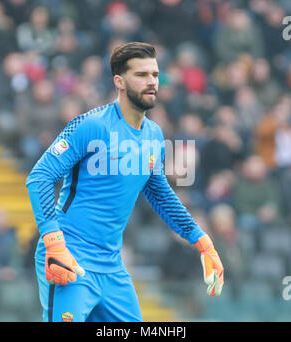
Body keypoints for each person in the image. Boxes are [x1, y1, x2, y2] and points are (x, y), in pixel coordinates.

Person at [26, 42, 224, 322]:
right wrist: (54, 243)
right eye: (141, 75)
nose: (152, 81)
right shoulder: (90, 125)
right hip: (70, 256)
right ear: (119, 81)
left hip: (112, 268)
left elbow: (159, 194)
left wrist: (203, 242)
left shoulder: (155, 136)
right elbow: (40, 178)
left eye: (155, 74)